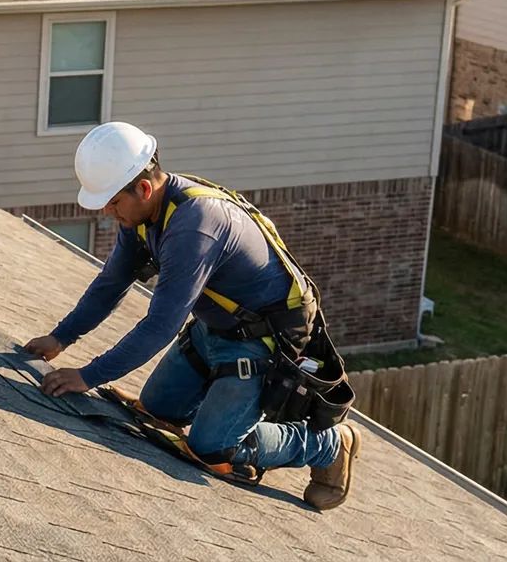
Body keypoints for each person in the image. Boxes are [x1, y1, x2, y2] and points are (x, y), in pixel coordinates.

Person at [25, 122, 362, 509]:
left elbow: (161, 325)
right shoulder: (143, 216)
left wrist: (89, 376)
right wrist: (61, 337)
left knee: (211, 448)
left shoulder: (194, 226)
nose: (107, 211)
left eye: (113, 202)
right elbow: (110, 285)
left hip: (261, 347)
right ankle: (223, 405)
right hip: (212, 330)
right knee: (156, 411)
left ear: (144, 188)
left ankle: (329, 445)